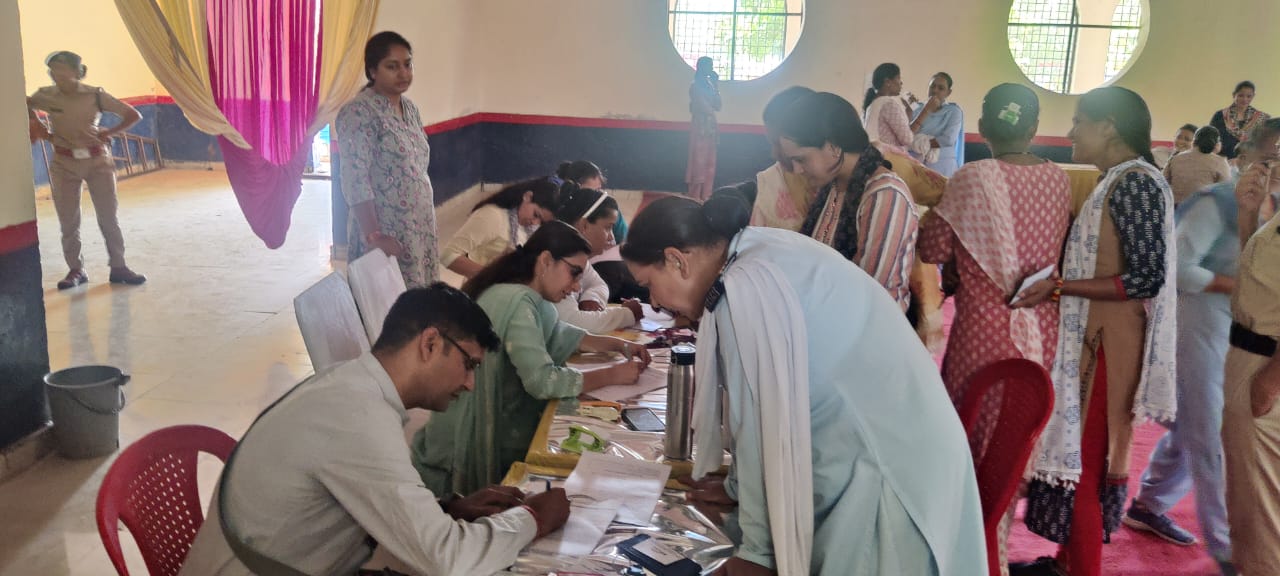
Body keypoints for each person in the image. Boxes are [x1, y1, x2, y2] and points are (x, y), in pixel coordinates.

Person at [620, 195, 986, 576]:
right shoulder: (756, 250)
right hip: (904, 441)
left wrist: (757, 553)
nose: (654, 301)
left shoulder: (743, 290)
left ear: (677, 260)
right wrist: (736, 487)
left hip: (886, 467)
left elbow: (760, 428)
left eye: (649, 284)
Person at [179, 285, 571, 576]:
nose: (470, 384)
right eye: (469, 365)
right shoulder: (355, 416)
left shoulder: (351, 385)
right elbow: (448, 559)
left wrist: (445, 508)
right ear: (430, 344)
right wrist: (532, 517)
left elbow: (367, 496)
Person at [1011, 87, 1176, 576]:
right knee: (1082, 458)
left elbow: (1146, 276)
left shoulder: (1135, 184)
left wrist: (1060, 287)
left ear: (1109, 125)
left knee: (1087, 463)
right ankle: (1066, 563)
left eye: (1080, 121)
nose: (1071, 132)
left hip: (1109, 345)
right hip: (1097, 337)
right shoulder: (1115, 181)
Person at [1124, 123, 1279, 576]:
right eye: (1268, 156)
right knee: (1212, 431)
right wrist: (1241, 287)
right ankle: (1229, 548)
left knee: (1195, 421)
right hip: (1202, 324)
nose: (1274, 166)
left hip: (1243, 330)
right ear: (1245, 152)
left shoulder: (1268, 205)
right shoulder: (1219, 200)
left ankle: (1150, 502)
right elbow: (1178, 266)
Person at [412, 221, 651, 495]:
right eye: (573, 274)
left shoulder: (529, 296)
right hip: (464, 439)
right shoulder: (518, 300)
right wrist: (612, 374)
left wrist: (620, 346)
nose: (575, 287)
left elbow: (564, 334)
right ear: (546, 260)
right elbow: (542, 380)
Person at [918, 83, 1070, 453]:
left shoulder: (972, 177)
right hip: (1042, 324)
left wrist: (957, 260)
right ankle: (1004, 505)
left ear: (983, 127)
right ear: (1033, 128)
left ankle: (973, 509)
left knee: (972, 428)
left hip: (984, 331)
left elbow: (932, 247)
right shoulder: (1059, 178)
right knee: (1016, 433)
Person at [777, 91, 919, 314]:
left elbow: (869, 294)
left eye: (801, 159)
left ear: (833, 147)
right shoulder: (833, 188)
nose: (796, 170)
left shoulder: (884, 194)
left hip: (872, 335)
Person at [27, 50, 146, 289]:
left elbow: (133, 114)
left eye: (62, 67)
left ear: (76, 72)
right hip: (64, 163)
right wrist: (37, 125)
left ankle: (119, 267)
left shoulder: (95, 95)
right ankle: (76, 269)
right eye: (53, 69)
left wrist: (108, 133)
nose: (56, 73)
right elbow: (25, 102)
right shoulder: (46, 95)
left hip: (97, 161)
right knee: (68, 220)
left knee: (108, 216)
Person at [1221, 118, 1280, 576]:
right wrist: (1248, 214)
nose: (1269, 165)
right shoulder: (1274, 216)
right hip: (1248, 354)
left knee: (1262, 507)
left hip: (1266, 363)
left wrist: (1270, 381)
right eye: (1266, 156)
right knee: (1246, 493)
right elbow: (1252, 281)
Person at [337, 32, 439, 288]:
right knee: (388, 303)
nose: (403, 73)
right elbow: (355, 179)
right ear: (372, 71)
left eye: (408, 64)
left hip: (418, 228)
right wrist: (374, 236)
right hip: (385, 228)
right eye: (392, 66)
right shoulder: (359, 112)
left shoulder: (410, 109)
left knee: (418, 303)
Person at [552, 184, 643, 333]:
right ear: (584, 225)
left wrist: (591, 298)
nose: (612, 238)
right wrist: (627, 314)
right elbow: (572, 323)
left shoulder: (580, 259)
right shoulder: (559, 259)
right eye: (608, 227)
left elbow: (599, 284)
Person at [441, 178, 559, 279]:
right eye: (536, 214)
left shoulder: (530, 228)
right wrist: (494, 277)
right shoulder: (493, 216)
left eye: (541, 222)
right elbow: (448, 256)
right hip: (483, 292)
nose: (534, 222)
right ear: (527, 196)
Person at [909, 72, 966, 176]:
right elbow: (907, 135)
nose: (935, 90)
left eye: (941, 88)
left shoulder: (954, 111)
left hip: (942, 165)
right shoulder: (917, 109)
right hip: (915, 164)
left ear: (948, 92)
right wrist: (924, 110)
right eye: (932, 86)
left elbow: (947, 139)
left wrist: (921, 145)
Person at [556, 160, 626, 242]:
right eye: (595, 191)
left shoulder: (610, 213)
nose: (599, 196)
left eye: (599, 190)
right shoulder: (556, 214)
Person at [1164, 125, 1231, 204]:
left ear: (1194, 142)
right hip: (1202, 209)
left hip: (1175, 209)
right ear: (1217, 144)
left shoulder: (1176, 158)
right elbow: (1226, 190)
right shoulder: (1220, 161)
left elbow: (1163, 181)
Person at [687, 56, 722, 201]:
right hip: (701, 126)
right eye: (708, 66)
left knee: (710, 160)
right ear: (700, 67)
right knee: (699, 161)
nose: (711, 69)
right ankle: (695, 196)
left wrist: (716, 85)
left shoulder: (710, 85)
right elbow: (704, 106)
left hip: (710, 126)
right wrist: (711, 116)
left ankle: (706, 195)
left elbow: (718, 106)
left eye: (712, 65)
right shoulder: (695, 86)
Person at [1209, 81, 1270, 160]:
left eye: (1249, 96)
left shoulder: (1262, 119)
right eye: (1241, 95)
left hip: (1249, 163)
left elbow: (1265, 144)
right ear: (1234, 95)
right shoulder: (1219, 116)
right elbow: (1210, 139)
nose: (1245, 99)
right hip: (1222, 161)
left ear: (1253, 96)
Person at [862, 63, 914, 150]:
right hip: (887, 159)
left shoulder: (872, 104)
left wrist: (908, 113)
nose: (901, 82)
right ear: (887, 82)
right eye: (898, 78)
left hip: (874, 157)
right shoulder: (888, 104)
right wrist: (925, 112)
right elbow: (907, 139)